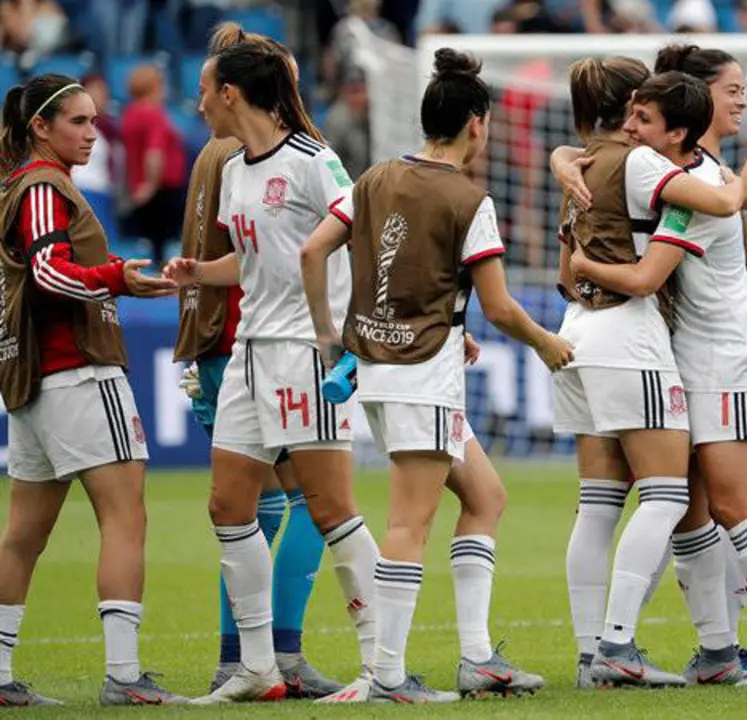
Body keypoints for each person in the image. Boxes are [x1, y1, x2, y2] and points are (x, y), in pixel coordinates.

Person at [300, 48, 570, 703]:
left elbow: (315, 251)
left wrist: (329, 334)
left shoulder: (374, 178)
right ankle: (387, 675)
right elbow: (503, 305)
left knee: (486, 498)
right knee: (408, 523)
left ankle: (476, 658)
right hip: (422, 376)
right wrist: (545, 343)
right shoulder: (468, 199)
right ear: (476, 124)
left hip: (381, 371)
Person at [571, 67, 747, 687]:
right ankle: (717, 651)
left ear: (677, 130)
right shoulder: (682, 173)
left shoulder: (693, 189)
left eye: (644, 121)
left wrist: (579, 263)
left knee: (735, 503)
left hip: (725, 360)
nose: (630, 129)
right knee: (686, 512)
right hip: (688, 357)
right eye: (630, 116)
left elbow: (648, 276)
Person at [164, 40, 379, 704]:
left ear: (231, 93)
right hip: (250, 355)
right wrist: (200, 272)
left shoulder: (317, 163)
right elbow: (255, 263)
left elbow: (355, 228)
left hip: (302, 357)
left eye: (206, 90)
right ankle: (257, 668)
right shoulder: (234, 171)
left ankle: (383, 666)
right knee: (229, 507)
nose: (198, 102)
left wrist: (338, 333)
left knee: (330, 508)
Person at [550, 56, 744, 689]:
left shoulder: (578, 167)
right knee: (667, 494)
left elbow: (562, 274)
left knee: (598, 503)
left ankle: (589, 653)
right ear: (627, 107)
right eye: (636, 107)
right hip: (628, 332)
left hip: (575, 329)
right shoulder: (638, 163)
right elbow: (719, 199)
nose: (639, 119)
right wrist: (738, 181)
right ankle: (617, 644)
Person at [0, 73, 183, 706]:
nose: (91, 132)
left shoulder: (21, 187)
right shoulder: (44, 186)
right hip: (77, 369)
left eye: (94, 120)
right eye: (77, 121)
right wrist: (117, 280)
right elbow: (51, 273)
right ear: (40, 129)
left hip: (33, 380)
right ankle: (124, 677)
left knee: (24, 534)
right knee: (125, 515)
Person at [120, 63, 188, 269]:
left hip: (140, 188)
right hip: (161, 190)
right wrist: (151, 185)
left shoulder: (129, 114)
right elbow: (154, 153)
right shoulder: (153, 114)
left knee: (152, 248)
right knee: (165, 248)